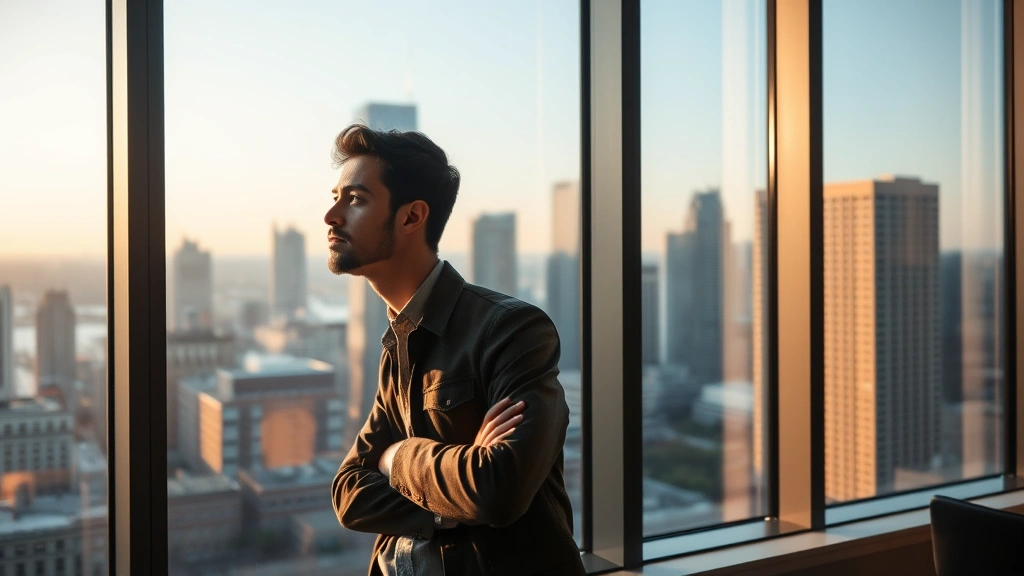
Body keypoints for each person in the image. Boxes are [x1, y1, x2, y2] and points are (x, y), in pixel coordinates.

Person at [328, 124, 585, 575]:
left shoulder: (511, 330)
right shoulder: (399, 345)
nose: (332, 216)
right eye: (336, 197)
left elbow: (497, 490)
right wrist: (454, 497)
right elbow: (348, 493)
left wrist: (395, 457)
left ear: (411, 218)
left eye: (355, 200)